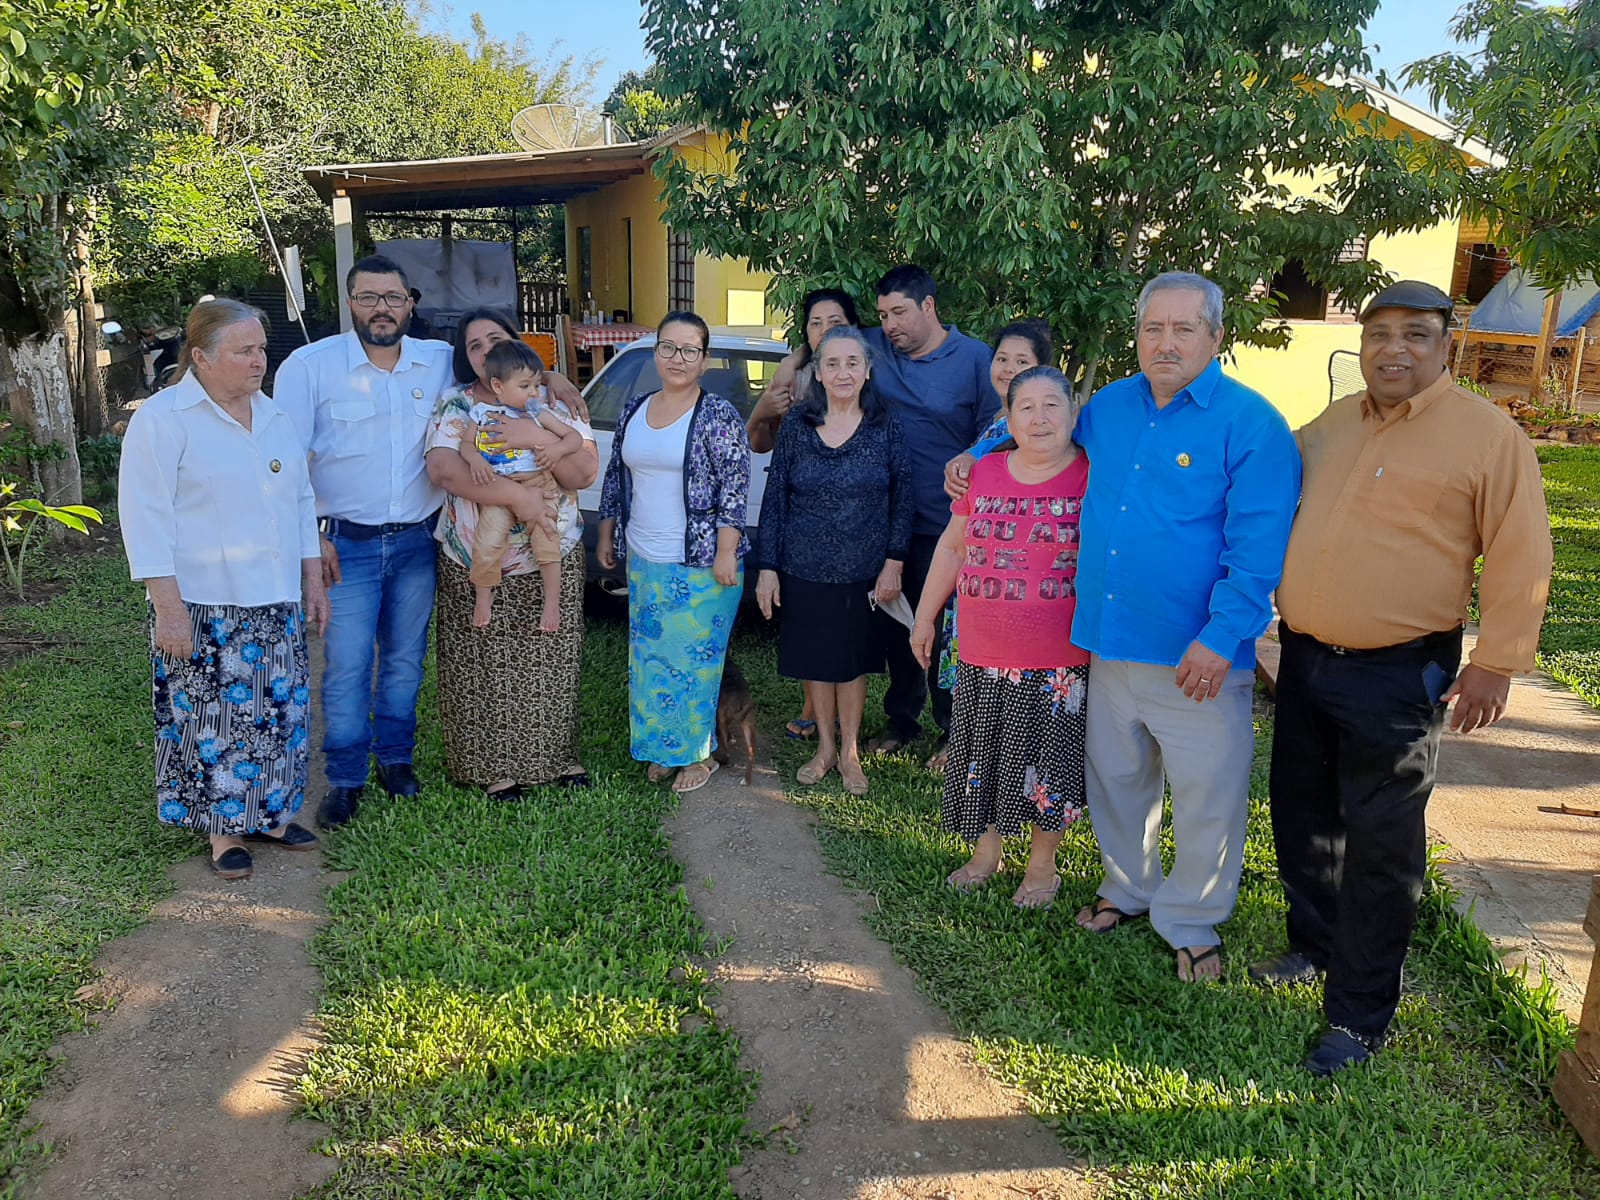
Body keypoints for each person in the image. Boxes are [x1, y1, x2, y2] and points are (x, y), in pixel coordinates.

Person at [1251, 280, 1553, 1075]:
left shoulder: (1488, 438)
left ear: (1445, 345)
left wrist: (1497, 661)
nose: (1394, 349)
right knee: (1303, 813)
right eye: (1380, 333)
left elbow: (1522, 549)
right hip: (1307, 657)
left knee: (1382, 843)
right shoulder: (1330, 426)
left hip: (1399, 674)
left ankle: (1356, 1017)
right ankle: (1312, 948)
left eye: (1416, 335)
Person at [118, 299, 329, 881]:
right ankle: (223, 830)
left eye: (261, 349)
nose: (260, 360)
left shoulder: (275, 415)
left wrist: (312, 577)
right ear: (203, 358)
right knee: (214, 720)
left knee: (280, 711)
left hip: (274, 596)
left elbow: (302, 500)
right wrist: (169, 610)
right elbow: (145, 519)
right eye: (246, 351)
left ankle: (274, 815)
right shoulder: (164, 419)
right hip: (204, 602)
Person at [775, 266, 993, 761]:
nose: (889, 324)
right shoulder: (876, 348)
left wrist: (972, 460)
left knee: (941, 629)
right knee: (896, 628)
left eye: (899, 312)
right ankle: (901, 721)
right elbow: (830, 342)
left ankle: (951, 725)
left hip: (948, 524)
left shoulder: (975, 359)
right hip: (886, 522)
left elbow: (995, 428)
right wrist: (792, 362)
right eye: (882, 315)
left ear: (929, 307)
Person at [911, 366, 1090, 909]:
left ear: (1073, 413)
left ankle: (1042, 867)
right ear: (1008, 419)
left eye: (1051, 405)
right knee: (980, 756)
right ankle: (987, 854)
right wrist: (925, 616)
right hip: (982, 648)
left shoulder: (1093, 474)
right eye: (1026, 407)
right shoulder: (983, 473)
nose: (1039, 418)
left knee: (1049, 761)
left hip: (1060, 656)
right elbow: (952, 547)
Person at [425, 308, 599, 799]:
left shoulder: (550, 402)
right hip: (478, 558)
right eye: (474, 345)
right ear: (467, 357)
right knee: (481, 667)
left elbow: (583, 474)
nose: (484, 351)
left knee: (551, 663)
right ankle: (489, 768)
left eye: (494, 339)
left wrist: (535, 437)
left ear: (514, 346)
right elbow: (443, 470)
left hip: (550, 551)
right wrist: (517, 497)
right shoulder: (457, 404)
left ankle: (553, 759)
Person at [753, 326, 913, 796]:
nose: (842, 372)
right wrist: (767, 567)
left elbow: (903, 497)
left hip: (863, 570)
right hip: (803, 568)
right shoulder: (799, 427)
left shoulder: (886, 425)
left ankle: (849, 753)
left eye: (852, 363)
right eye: (832, 363)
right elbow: (775, 499)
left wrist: (894, 561)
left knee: (852, 665)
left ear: (867, 371)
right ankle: (824, 748)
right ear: (818, 373)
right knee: (817, 663)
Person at [597, 311, 752, 793]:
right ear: (656, 352)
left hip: (703, 564)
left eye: (689, 350)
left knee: (695, 664)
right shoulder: (636, 407)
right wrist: (607, 535)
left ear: (704, 360)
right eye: (668, 347)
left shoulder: (717, 415)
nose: (678, 358)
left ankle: (698, 756)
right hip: (646, 560)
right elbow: (615, 477)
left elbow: (735, 487)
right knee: (651, 661)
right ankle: (663, 747)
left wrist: (727, 551)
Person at [746, 287, 862, 741]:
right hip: (801, 518)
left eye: (835, 320)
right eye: (816, 322)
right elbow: (760, 443)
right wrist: (766, 403)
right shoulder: (794, 381)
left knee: (843, 629)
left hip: (853, 524)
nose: (825, 329)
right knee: (808, 620)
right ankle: (813, 707)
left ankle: (831, 717)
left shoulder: (860, 375)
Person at [937, 320, 1055, 723]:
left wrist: (973, 456)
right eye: (1001, 358)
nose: (1007, 368)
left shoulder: (1036, 425)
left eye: (1021, 361)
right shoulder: (995, 419)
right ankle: (957, 739)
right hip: (974, 563)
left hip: (1014, 578)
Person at [450, 339, 581, 631]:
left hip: (537, 481)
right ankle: (484, 596)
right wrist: (475, 461)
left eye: (536, 385)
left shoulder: (536, 412)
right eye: (525, 386)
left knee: (547, 537)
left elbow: (572, 438)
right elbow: (467, 446)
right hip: (498, 487)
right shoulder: (480, 412)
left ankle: (552, 601)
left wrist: (556, 451)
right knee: (487, 538)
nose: (534, 392)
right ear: (498, 386)